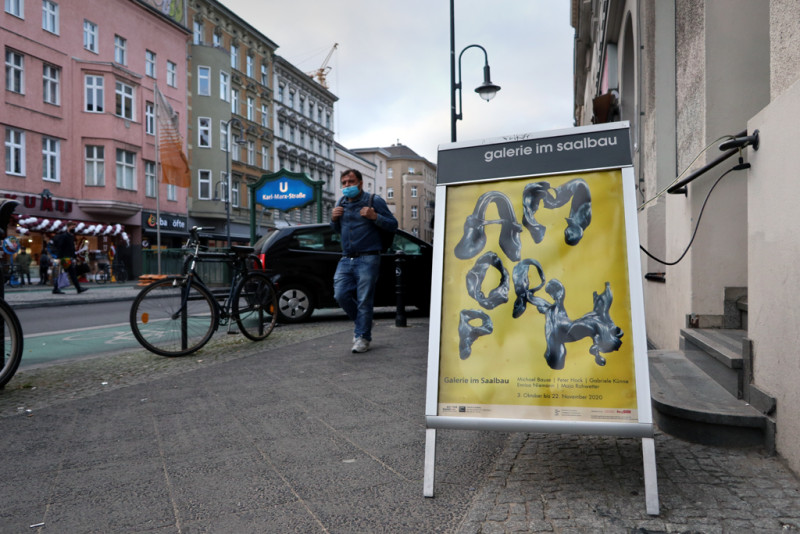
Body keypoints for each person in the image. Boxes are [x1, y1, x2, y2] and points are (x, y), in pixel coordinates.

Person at [331, 169, 398, 353]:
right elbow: (337, 230)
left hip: (368, 257)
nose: (347, 186)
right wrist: (334, 219)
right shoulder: (341, 202)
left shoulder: (373, 201)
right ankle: (364, 323)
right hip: (346, 258)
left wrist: (375, 216)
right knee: (340, 295)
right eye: (344, 183)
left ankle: (363, 337)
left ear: (360, 183)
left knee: (364, 300)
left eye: (351, 182)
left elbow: (393, 225)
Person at [51, 222, 88, 295]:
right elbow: (60, 247)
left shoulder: (71, 236)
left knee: (67, 273)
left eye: (74, 227)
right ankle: (78, 288)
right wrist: (59, 257)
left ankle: (56, 288)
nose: (74, 229)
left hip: (67, 257)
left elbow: (71, 249)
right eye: (72, 227)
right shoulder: (64, 236)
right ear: (68, 227)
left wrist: (75, 257)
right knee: (72, 273)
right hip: (64, 258)